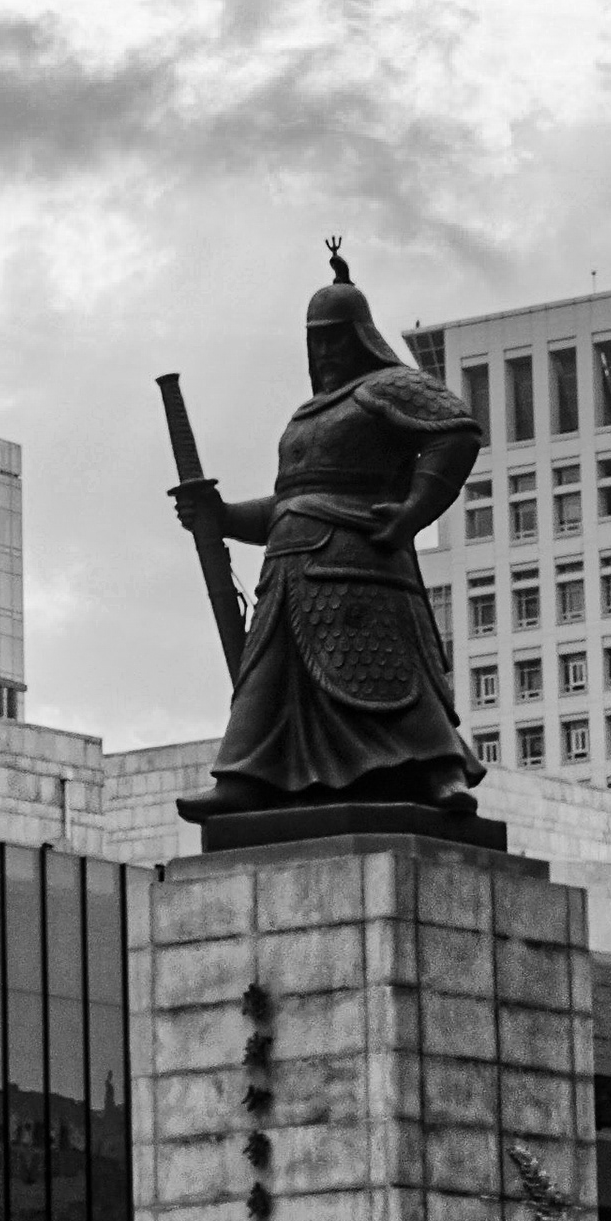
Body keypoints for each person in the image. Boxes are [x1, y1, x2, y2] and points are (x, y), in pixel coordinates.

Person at [172, 247, 483, 818]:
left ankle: (439, 774)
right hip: (288, 572)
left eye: (336, 337)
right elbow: (287, 506)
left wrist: (413, 510)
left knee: (387, 674)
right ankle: (245, 777)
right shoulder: (305, 415)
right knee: (264, 686)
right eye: (316, 340)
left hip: (360, 560)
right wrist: (220, 515)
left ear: (361, 336)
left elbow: (457, 432)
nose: (325, 351)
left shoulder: (386, 388)